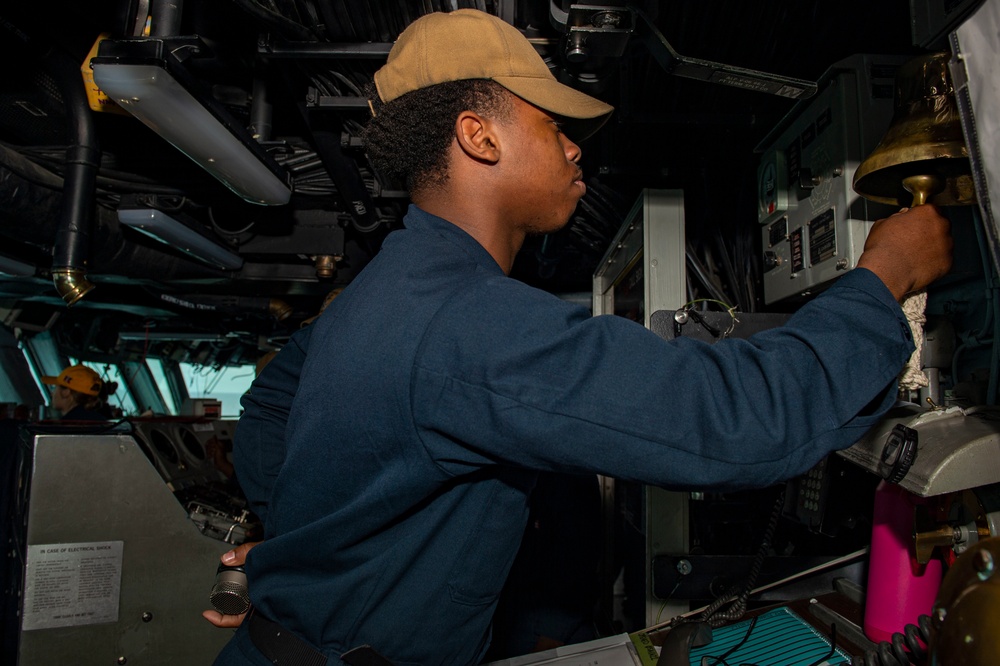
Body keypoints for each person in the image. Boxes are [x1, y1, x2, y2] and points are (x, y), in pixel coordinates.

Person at [207, 9, 952, 666]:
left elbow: (269, 414)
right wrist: (882, 278)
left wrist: (316, 552)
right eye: (553, 125)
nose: (573, 150)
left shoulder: (379, 295)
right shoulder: (470, 322)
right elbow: (734, 422)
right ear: (479, 137)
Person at [40, 365, 109, 421]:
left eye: (55, 388)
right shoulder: (101, 422)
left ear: (66, 392)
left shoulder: (62, 429)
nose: (52, 393)